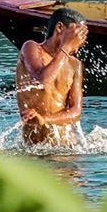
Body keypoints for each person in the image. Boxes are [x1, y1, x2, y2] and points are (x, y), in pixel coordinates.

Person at [16, 8, 88, 146]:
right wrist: (66, 47)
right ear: (60, 27)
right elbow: (42, 79)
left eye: (80, 40)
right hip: (34, 147)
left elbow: (75, 112)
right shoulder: (31, 48)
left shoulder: (75, 64)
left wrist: (44, 119)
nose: (77, 45)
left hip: (65, 147)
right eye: (75, 36)